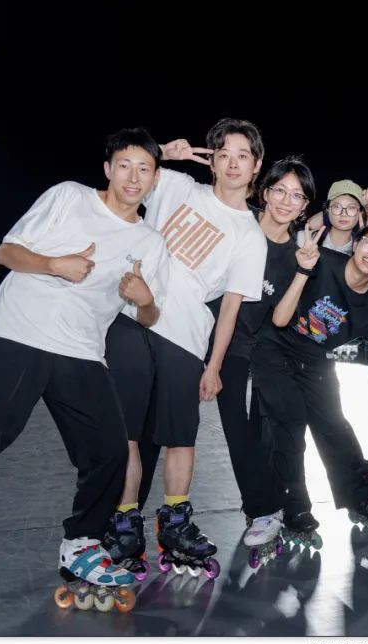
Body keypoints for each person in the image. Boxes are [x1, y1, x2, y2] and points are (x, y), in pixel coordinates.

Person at [0, 128, 170, 634]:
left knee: (110, 453)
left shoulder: (150, 241)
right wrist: (54, 264)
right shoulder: (68, 197)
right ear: (108, 169)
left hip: (80, 350)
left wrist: (143, 299)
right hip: (17, 332)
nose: (133, 177)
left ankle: (81, 545)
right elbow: (6, 253)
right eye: (124, 165)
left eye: (144, 169)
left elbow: (150, 315)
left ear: (155, 179)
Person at [102, 119, 267, 579]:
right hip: (130, 319)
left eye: (242, 155)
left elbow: (230, 308)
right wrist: (163, 153)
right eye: (223, 153)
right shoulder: (175, 185)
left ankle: (174, 522)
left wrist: (214, 365)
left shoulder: (250, 235)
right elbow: (129, 178)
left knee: (180, 436)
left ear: (256, 165)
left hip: (187, 336)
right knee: (126, 433)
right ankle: (125, 522)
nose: (232, 163)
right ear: (210, 160)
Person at [250, 221, 368, 536]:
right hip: (275, 347)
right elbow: (279, 319)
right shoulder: (323, 261)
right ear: (356, 244)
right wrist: (303, 270)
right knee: (289, 421)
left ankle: (359, 494)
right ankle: (294, 506)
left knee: (334, 424)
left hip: (315, 361)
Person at [203, 156, 317, 560]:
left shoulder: (297, 252)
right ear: (265, 192)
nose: (286, 201)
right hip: (195, 329)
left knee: (241, 427)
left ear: (304, 206)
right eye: (280, 190)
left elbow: (282, 317)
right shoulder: (240, 221)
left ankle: (265, 510)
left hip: (243, 344)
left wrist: (303, 271)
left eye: (297, 196)